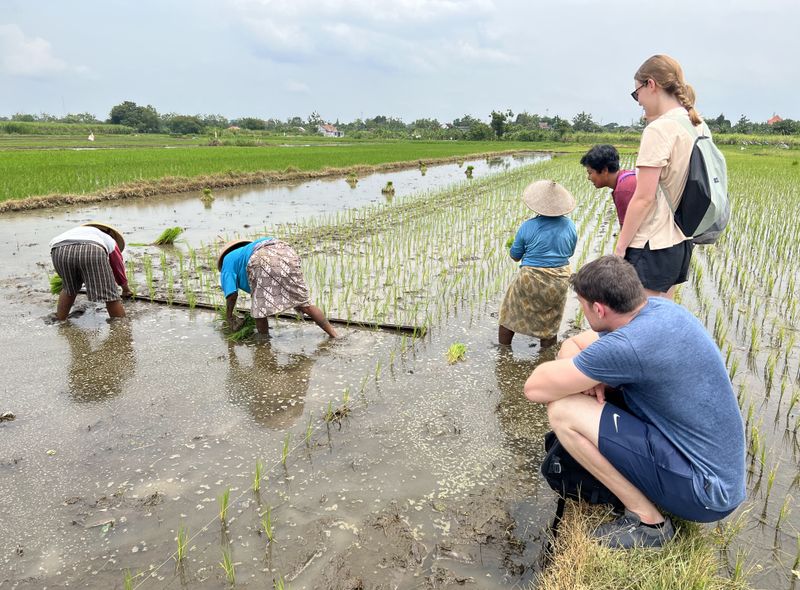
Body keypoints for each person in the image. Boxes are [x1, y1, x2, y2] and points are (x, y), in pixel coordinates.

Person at [524, 256, 745, 549]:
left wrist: (587, 378)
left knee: (564, 412)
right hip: (717, 475)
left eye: (582, 304)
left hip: (706, 494)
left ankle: (648, 522)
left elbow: (535, 388)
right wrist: (592, 378)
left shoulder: (628, 346)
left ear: (599, 309)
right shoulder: (659, 310)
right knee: (587, 391)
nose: (582, 310)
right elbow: (573, 344)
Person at [614, 54, 706, 299]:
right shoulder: (696, 125)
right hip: (680, 242)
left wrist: (620, 248)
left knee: (639, 326)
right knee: (661, 322)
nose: (638, 101)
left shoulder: (659, 129)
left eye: (637, 93)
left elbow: (644, 199)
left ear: (651, 84)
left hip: (651, 245)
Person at [499, 180, 577, 348]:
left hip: (530, 279)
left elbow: (515, 256)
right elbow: (570, 252)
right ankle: (546, 358)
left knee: (509, 315)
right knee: (550, 323)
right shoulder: (570, 226)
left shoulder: (528, 226)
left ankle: (503, 354)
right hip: (559, 280)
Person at [218, 237, 337, 338]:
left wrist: (229, 317)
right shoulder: (246, 251)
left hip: (261, 256)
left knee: (259, 310)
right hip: (286, 251)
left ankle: (264, 345)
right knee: (304, 303)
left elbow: (231, 294)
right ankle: (334, 335)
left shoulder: (227, 261)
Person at [50, 222, 131, 320]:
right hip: (92, 249)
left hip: (58, 250)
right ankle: (121, 327)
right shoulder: (109, 239)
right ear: (110, 233)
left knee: (68, 288)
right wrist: (126, 289)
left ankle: (61, 321)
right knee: (110, 295)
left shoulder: (76, 232)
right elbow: (118, 268)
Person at [580, 144, 637, 226]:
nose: (589, 178)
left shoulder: (623, 190)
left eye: (590, 173)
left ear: (604, 171)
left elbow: (629, 230)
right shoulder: (626, 178)